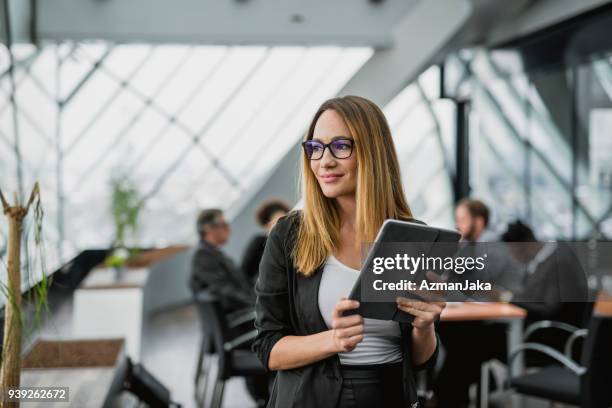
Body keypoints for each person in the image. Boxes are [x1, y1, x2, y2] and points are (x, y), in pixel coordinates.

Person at [252, 95, 444, 408]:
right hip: (311, 399)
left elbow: (421, 361)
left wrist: (425, 327)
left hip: (390, 395)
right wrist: (334, 340)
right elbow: (267, 348)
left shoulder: (412, 237)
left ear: (373, 151)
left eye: (340, 146)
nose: (324, 161)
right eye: (315, 148)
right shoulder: (290, 234)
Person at [190, 208, 254, 313]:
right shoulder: (203, 255)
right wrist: (257, 304)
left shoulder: (212, 252)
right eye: (223, 224)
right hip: (239, 316)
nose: (228, 229)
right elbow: (225, 290)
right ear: (208, 228)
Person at [241, 199, 291, 284]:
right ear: (268, 226)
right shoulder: (259, 243)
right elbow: (244, 273)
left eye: (287, 220)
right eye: (278, 222)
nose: (284, 226)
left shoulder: (291, 240)